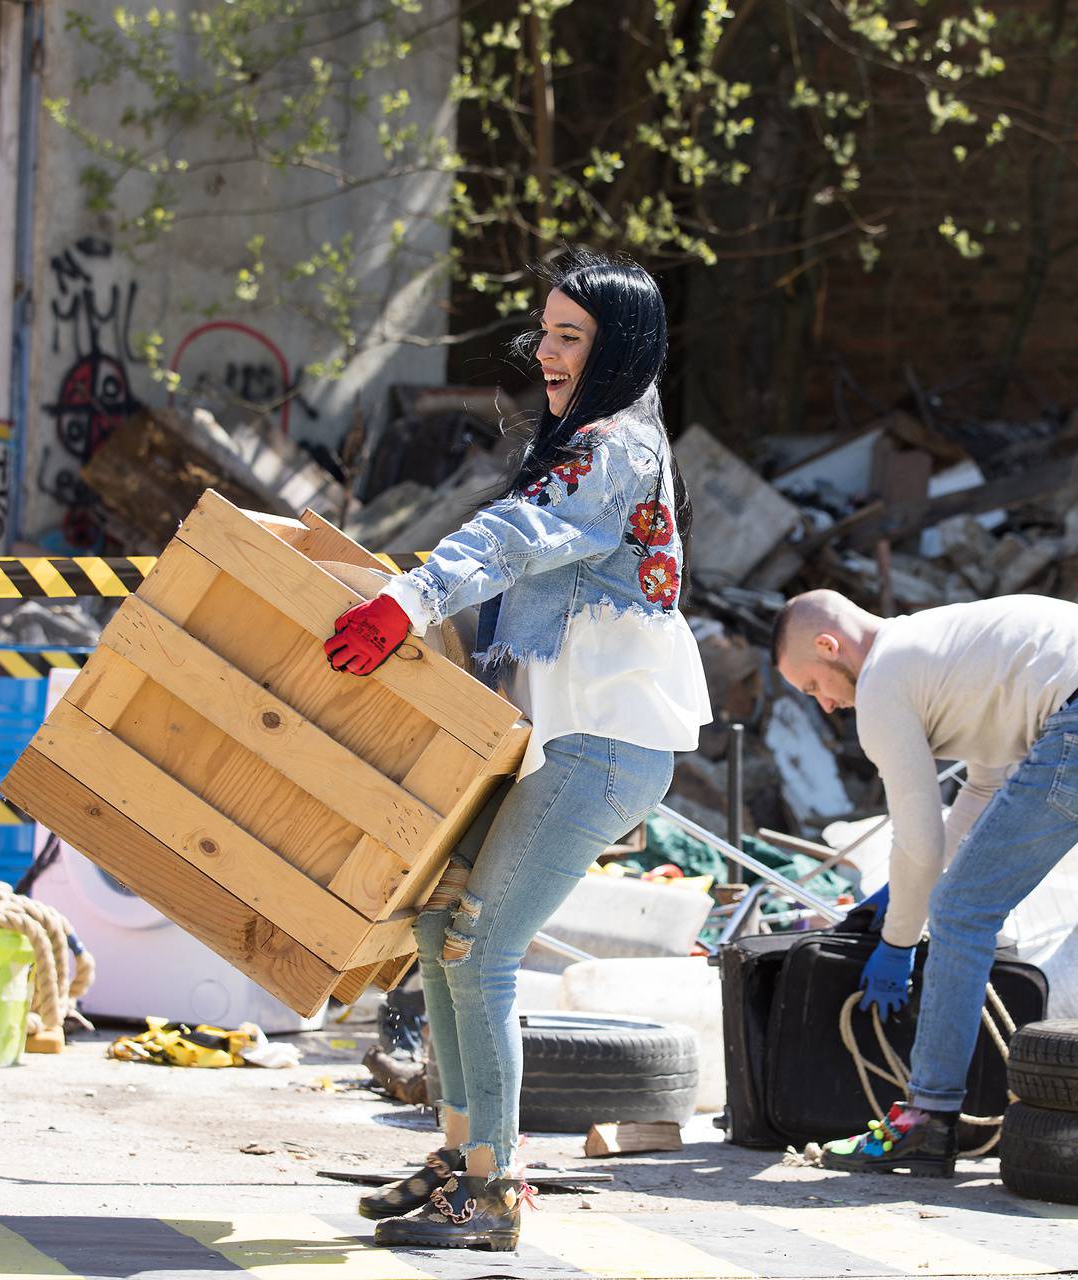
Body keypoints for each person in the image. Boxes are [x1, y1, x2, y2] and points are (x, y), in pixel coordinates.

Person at [324, 250, 710, 1249]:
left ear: (618, 348)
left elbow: (519, 533)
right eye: (543, 330)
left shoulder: (614, 448)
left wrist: (407, 598)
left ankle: (491, 1194)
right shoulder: (603, 435)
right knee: (440, 918)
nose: (545, 350)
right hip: (562, 738)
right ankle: (464, 1155)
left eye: (569, 335)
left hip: (605, 742)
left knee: (480, 945)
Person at [772, 589, 1078, 1176]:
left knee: (960, 913)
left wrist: (899, 941)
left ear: (829, 646)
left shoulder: (882, 684)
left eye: (812, 687)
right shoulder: (949, 647)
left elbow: (920, 845)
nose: (824, 706)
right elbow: (981, 792)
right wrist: (896, 896)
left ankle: (926, 1116)